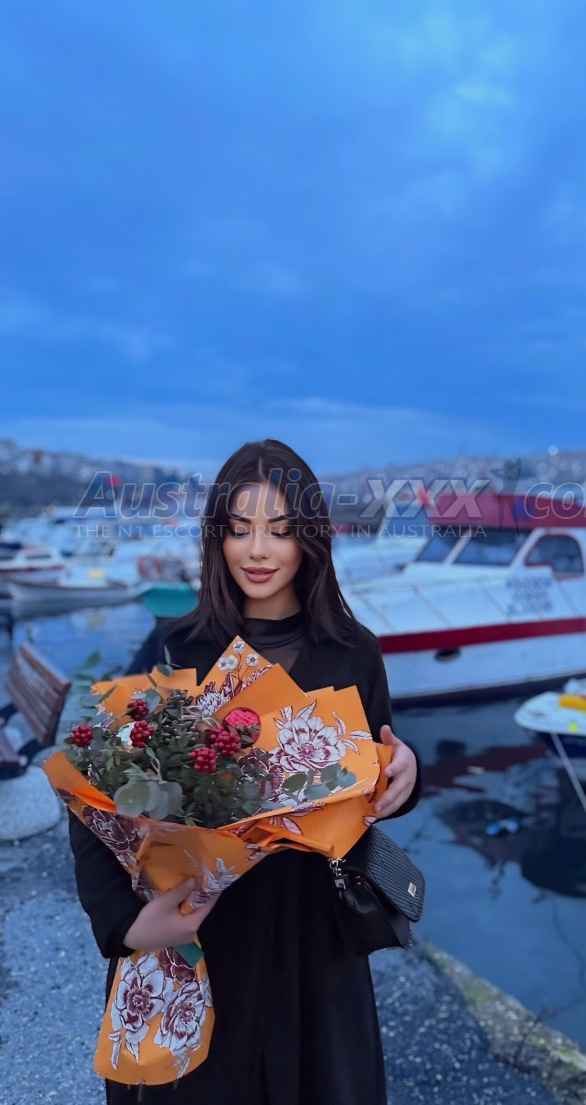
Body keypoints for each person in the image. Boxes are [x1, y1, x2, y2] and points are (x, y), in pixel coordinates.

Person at [68, 438, 422, 1105]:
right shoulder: (177, 647)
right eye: (239, 529)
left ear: (310, 539)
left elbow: (375, 774)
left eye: (280, 531)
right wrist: (126, 925)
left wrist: (406, 773)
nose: (258, 551)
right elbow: (97, 794)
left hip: (313, 944)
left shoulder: (352, 652)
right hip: (200, 932)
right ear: (216, 537)